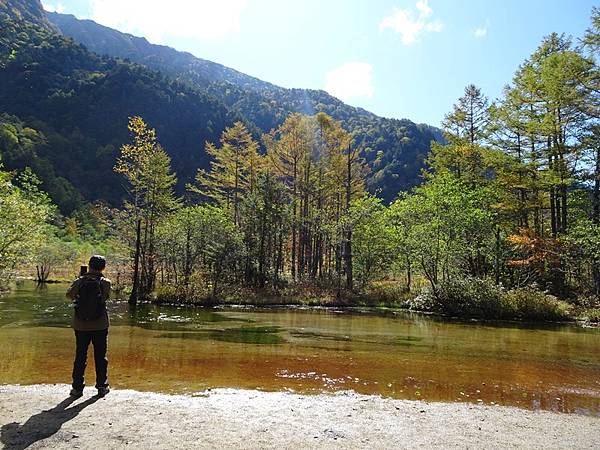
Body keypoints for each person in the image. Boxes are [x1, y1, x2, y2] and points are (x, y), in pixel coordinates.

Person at [66, 255, 112, 398]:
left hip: (80, 325)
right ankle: (102, 386)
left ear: (89, 265)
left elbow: (69, 295)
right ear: (103, 267)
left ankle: (77, 388)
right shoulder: (106, 282)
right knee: (100, 356)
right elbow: (106, 297)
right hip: (100, 324)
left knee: (80, 355)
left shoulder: (79, 281)